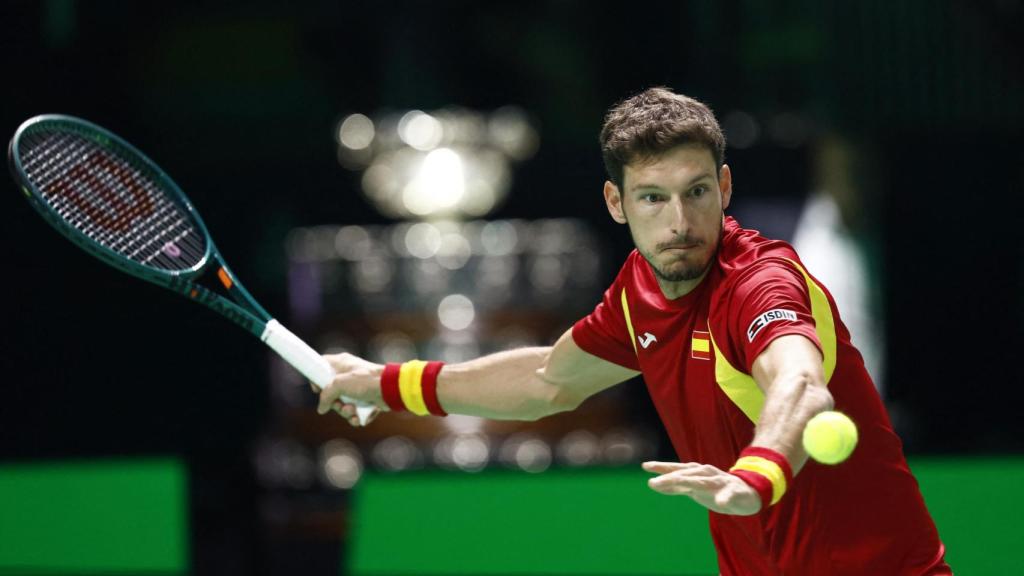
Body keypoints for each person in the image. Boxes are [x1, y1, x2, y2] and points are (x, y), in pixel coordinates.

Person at [315, 87, 951, 575]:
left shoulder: (758, 281)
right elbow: (546, 380)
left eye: (697, 191)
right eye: (652, 198)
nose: (680, 220)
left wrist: (758, 474)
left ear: (724, 187)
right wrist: (383, 383)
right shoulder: (639, 294)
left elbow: (802, 385)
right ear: (616, 204)